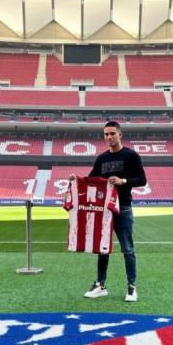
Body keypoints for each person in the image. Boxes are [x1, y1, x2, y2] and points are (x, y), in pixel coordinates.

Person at [70, 121, 147, 302]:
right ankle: (100, 285)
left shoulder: (131, 155)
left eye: (112, 133)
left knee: (128, 249)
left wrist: (124, 181)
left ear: (120, 134)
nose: (109, 137)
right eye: (106, 134)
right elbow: (91, 179)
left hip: (123, 207)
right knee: (102, 248)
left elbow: (142, 179)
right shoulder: (102, 158)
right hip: (104, 210)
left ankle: (131, 287)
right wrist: (76, 179)